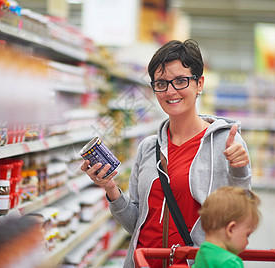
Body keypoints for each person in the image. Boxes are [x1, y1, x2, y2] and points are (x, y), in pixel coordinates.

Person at [80, 39, 252, 268]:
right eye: (161, 83)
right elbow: (136, 224)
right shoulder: (148, 148)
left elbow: (240, 219)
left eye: (180, 81)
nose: (170, 91)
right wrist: (111, 188)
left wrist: (239, 171)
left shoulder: (225, 142)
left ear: (199, 83)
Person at [192, 186, 261, 268]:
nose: (247, 242)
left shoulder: (201, 254)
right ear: (230, 230)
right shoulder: (230, 262)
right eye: (247, 235)